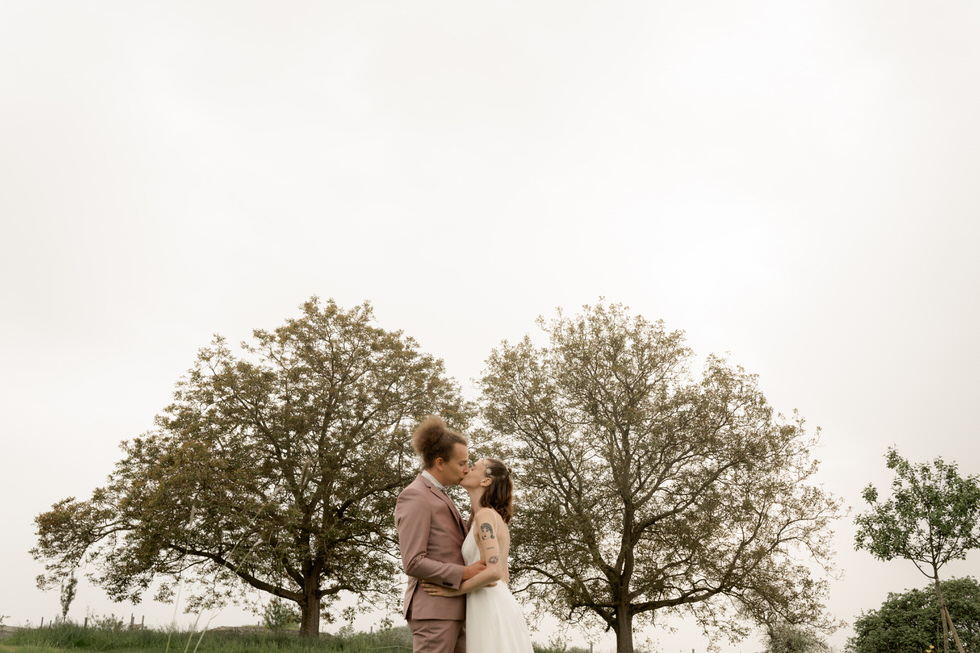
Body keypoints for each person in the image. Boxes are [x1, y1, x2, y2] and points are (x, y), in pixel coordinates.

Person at [421, 457, 534, 653]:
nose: (466, 470)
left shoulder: (486, 517)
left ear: (486, 481)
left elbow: (494, 572)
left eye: (473, 468)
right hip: (489, 603)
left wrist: (454, 590)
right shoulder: (484, 517)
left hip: (490, 605)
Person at [395, 415, 487, 653]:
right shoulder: (415, 495)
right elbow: (413, 562)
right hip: (434, 611)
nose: (467, 469)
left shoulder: (441, 494)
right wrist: (465, 573)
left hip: (453, 609)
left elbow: (456, 542)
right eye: (462, 463)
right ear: (440, 463)